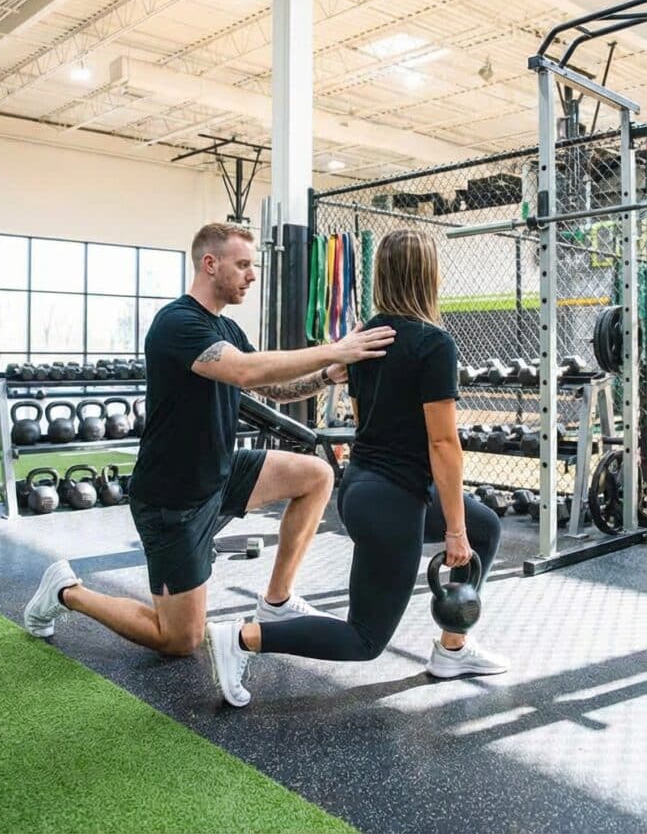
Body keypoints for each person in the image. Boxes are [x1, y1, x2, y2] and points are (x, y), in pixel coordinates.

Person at [24, 222, 395, 691]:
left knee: (316, 475)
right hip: (173, 497)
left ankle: (276, 601)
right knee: (180, 639)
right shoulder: (177, 323)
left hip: (221, 472)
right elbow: (244, 372)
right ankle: (66, 591)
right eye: (243, 265)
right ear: (210, 264)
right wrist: (334, 348)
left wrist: (328, 374)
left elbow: (272, 387)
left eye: (252, 266)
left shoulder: (227, 327)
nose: (252, 275)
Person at [208, 228, 508, 706]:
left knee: (485, 527)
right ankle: (242, 638)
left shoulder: (363, 339)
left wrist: (462, 524)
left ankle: (453, 648)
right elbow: (443, 443)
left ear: (383, 274)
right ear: (428, 276)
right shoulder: (434, 344)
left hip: (364, 488)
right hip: (391, 501)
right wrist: (454, 530)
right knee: (364, 639)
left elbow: (365, 418)